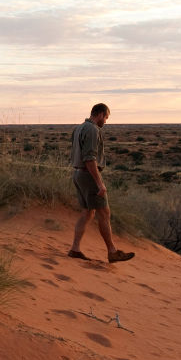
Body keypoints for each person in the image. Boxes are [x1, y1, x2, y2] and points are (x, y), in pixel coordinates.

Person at [67, 103, 134, 263]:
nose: (106, 121)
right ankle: (112, 252)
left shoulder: (78, 128)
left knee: (87, 213)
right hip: (88, 175)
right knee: (104, 213)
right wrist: (99, 183)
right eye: (106, 117)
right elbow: (89, 158)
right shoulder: (92, 130)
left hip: (78, 174)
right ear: (100, 114)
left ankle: (75, 249)